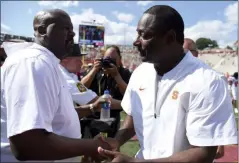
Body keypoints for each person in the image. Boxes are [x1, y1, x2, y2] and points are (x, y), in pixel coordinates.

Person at [97, 5, 237, 162]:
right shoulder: (140, 72)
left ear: (170, 37)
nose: (136, 42)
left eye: (145, 35)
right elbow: (134, 115)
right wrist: (118, 140)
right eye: (138, 34)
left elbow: (203, 153)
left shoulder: (208, 81)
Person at [1, 9, 112, 162]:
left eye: (73, 30)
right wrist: (90, 146)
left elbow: (58, 116)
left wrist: (91, 108)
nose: (73, 35)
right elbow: (28, 144)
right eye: (66, 28)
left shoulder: (48, 64)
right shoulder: (33, 63)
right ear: (41, 30)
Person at [184, 38, 225, 159]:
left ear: (195, 54)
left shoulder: (212, 78)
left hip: (199, 145)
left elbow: (219, 113)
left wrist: (220, 144)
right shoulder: (173, 78)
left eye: (186, 52)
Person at [81, 45, 131, 137]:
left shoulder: (124, 73)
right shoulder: (95, 71)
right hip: (91, 117)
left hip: (112, 119)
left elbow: (128, 95)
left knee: (110, 147)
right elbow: (80, 88)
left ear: (119, 60)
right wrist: (94, 70)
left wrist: (116, 76)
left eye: (112, 60)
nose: (109, 62)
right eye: (107, 59)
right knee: (88, 148)